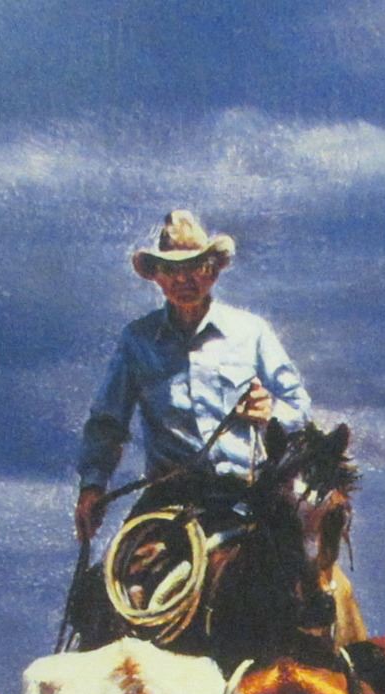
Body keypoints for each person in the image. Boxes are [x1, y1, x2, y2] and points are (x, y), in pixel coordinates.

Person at [74, 209, 312, 544]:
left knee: (299, 568)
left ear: (212, 272)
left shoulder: (252, 332)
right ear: (157, 277)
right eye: (171, 270)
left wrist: (270, 412)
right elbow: (107, 422)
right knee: (121, 571)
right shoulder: (137, 340)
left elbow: (299, 405)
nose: (183, 280)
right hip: (170, 500)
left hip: (249, 497)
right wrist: (92, 486)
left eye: (195, 268)